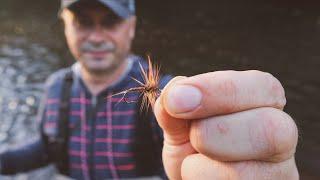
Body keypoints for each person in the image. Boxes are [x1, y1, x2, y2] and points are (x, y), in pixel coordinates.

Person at [0, 0, 299, 180]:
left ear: (131, 27)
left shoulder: (166, 96)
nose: (96, 36)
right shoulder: (55, 87)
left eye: (110, 22)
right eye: (82, 22)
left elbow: (190, 149)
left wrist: (232, 148)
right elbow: (46, 148)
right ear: (65, 25)